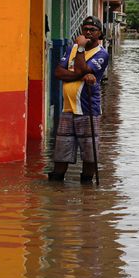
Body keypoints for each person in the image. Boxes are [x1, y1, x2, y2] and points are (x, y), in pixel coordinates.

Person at [48, 16, 111, 183]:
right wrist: (80, 74)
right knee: (61, 151)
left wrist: (81, 49)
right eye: (86, 29)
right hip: (67, 109)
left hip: (87, 109)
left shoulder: (102, 54)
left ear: (99, 33)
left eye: (92, 30)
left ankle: (87, 187)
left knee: (89, 153)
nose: (88, 32)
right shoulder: (72, 49)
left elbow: (83, 68)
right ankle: (56, 185)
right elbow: (58, 72)